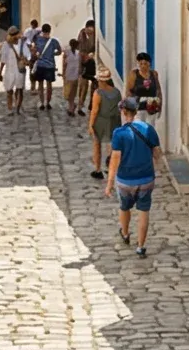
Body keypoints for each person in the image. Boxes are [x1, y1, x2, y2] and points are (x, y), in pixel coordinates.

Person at [110, 98, 161, 255]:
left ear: (124, 112)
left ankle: (125, 234)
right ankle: (141, 246)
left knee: (124, 207)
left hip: (125, 180)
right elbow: (157, 153)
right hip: (146, 178)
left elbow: (115, 158)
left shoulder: (119, 133)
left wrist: (109, 182)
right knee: (143, 211)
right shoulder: (148, 129)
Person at [86, 66, 124, 180]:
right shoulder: (117, 92)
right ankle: (111, 167)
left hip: (101, 120)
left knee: (97, 144)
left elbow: (95, 110)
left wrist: (91, 124)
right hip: (115, 120)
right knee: (112, 144)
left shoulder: (98, 93)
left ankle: (98, 169)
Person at [67, 21, 99, 115]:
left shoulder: (96, 35)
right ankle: (80, 106)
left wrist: (92, 54)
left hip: (92, 62)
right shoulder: (82, 35)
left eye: (91, 32)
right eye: (89, 31)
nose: (90, 33)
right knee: (83, 86)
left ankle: (90, 104)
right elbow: (79, 50)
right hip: (83, 62)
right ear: (86, 28)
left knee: (94, 85)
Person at [30, 26, 62, 111]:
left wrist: (38, 54)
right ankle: (48, 103)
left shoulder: (38, 40)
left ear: (42, 31)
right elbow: (59, 51)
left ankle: (42, 103)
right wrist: (52, 54)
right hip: (50, 66)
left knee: (40, 85)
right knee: (49, 85)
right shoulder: (54, 41)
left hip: (40, 65)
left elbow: (34, 50)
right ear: (50, 31)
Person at [0, 28, 29, 115]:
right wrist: (0, 72)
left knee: (19, 90)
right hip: (10, 71)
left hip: (19, 70)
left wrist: (25, 59)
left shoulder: (22, 43)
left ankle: (17, 108)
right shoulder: (6, 45)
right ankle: (11, 108)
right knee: (10, 90)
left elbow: (27, 55)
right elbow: (3, 59)